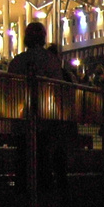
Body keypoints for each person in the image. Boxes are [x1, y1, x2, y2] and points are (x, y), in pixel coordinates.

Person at [8, 21, 65, 192]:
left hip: (22, 116)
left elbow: (10, 91)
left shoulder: (17, 61)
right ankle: (43, 191)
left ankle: (23, 189)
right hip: (45, 116)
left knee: (23, 156)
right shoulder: (50, 60)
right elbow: (59, 88)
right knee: (43, 156)